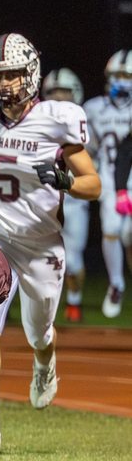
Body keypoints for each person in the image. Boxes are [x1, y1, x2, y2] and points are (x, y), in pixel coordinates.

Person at [0, 34, 99, 449]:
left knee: (39, 332)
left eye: (12, 74)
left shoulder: (58, 117)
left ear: (31, 74)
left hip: (41, 244)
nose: (4, 84)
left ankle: (45, 362)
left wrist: (67, 182)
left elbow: (93, 186)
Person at [83, 51, 132, 318]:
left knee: (128, 235)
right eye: (117, 75)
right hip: (111, 182)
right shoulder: (93, 108)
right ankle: (116, 283)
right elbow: (86, 151)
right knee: (112, 229)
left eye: (126, 75)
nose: (120, 81)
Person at [41, 69, 89, 321]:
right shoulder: (35, 123)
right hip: (43, 197)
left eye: (64, 92)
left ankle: (74, 301)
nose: (59, 98)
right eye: (53, 93)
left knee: (74, 259)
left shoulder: (85, 121)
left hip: (73, 199)